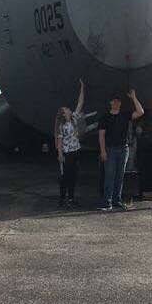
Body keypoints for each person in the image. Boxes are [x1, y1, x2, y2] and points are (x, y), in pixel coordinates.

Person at [98, 88, 144, 210]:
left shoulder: (125, 115)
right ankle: (107, 202)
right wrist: (103, 151)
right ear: (110, 103)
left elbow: (140, 112)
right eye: (114, 101)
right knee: (109, 176)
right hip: (110, 150)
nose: (116, 103)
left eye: (118, 101)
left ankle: (116, 200)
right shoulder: (105, 117)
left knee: (120, 176)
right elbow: (101, 135)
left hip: (124, 149)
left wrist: (134, 97)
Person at [53, 79, 85, 208]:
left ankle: (71, 198)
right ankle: (62, 198)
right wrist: (60, 154)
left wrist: (82, 88)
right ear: (63, 113)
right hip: (67, 153)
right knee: (65, 176)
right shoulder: (61, 125)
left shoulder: (74, 119)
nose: (69, 109)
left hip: (76, 151)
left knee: (74, 176)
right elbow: (59, 141)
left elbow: (80, 102)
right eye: (67, 109)